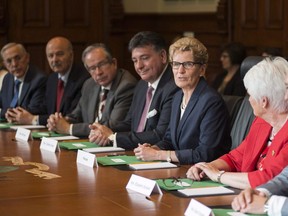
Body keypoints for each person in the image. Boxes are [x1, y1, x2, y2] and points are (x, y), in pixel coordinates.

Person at [186, 57, 288, 189]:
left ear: (264, 102)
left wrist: (218, 175)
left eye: (250, 94)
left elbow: (268, 179)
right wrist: (208, 167)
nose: (249, 99)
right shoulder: (262, 123)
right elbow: (236, 158)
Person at [133, 37, 231, 164]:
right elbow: (169, 139)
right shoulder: (178, 97)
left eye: (188, 64)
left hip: (204, 174)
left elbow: (205, 154)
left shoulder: (211, 102)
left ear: (202, 69)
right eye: (176, 64)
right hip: (181, 169)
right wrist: (154, 148)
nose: (180, 71)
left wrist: (159, 155)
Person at [88, 31, 179, 149]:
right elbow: (130, 123)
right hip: (136, 150)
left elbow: (160, 135)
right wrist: (104, 132)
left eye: (144, 58)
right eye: (135, 60)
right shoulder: (141, 85)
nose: (139, 66)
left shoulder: (174, 86)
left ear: (163, 56)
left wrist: (113, 137)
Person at [46, 43, 137, 137]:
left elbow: (113, 126)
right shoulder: (89, 84)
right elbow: (77, 115)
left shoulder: (126, 86)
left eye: (102, 64)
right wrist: (59, 122)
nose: (98, 72)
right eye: (92, 68)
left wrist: (68, 128)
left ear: (114, 63)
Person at [5, 36, 90, 125]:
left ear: (71, 55)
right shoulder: (52, 79)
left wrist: (34, 119)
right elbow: (44, 108)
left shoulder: (83, 79)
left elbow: (70, 116)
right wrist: (17, 114)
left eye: (60, 54)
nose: (55, 60)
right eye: (50, 56)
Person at [0, 43, 46, 120]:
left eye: (18, 58)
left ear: (27, 58)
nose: (14, 64)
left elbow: (33, 110)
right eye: (9, 61)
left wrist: (6, 113)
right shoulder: (8, 78)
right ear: (5, 65)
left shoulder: (39, 79)